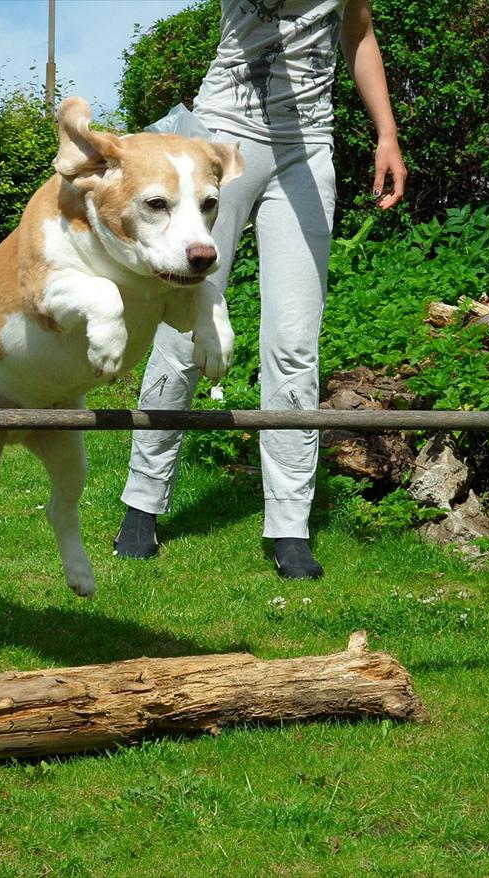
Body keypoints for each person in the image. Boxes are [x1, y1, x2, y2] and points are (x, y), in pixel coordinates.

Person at [113, 0, 407, 578]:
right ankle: (143, 503)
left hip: (307, 150)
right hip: (219, 142)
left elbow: (359, 31)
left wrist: (386, 133)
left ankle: (290, 525)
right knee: (183, 327)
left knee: (294, 345)